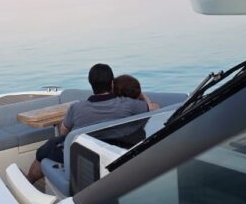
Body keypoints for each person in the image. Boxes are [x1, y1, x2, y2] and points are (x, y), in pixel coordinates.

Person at [26, 63, 155, 183]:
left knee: (47, 149)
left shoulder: (76, 108)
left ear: (91, 84)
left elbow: (64, 133)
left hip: (83, 158)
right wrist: (142, 95)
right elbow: (156, 108)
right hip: (116, 154)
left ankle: (29, 181)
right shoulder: (129, 105)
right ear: (111, 84)